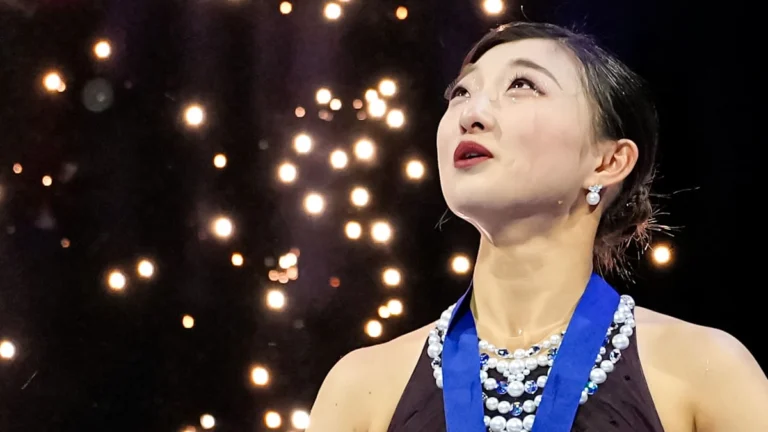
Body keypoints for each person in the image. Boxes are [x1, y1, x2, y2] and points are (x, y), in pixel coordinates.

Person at [307, 22, 768, 432]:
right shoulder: (362, 389)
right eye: (461, 93)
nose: (470, 114)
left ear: (608, 161)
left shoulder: (705, 373)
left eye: (522, 85)